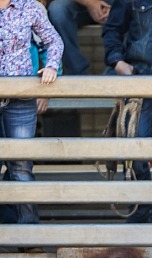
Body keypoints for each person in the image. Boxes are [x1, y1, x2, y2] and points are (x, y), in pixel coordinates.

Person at [102, 0, 152, 223]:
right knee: (134, 150)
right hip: (139, 75)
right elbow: (112, 29)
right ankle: (139, 210)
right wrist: (117, 61)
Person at [0, 0, 63, 225]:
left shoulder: (30, 7)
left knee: (21, 167)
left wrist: (52, 66)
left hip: (22, 98)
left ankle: (28, 231)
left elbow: (53, 40)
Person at [48, 0, 112, 75]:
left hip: (118, 4)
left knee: (126, 10)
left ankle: (116, 72)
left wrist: (117, 8)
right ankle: (76, 74)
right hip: (79, 5)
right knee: (58, 10)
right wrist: (90, 3)